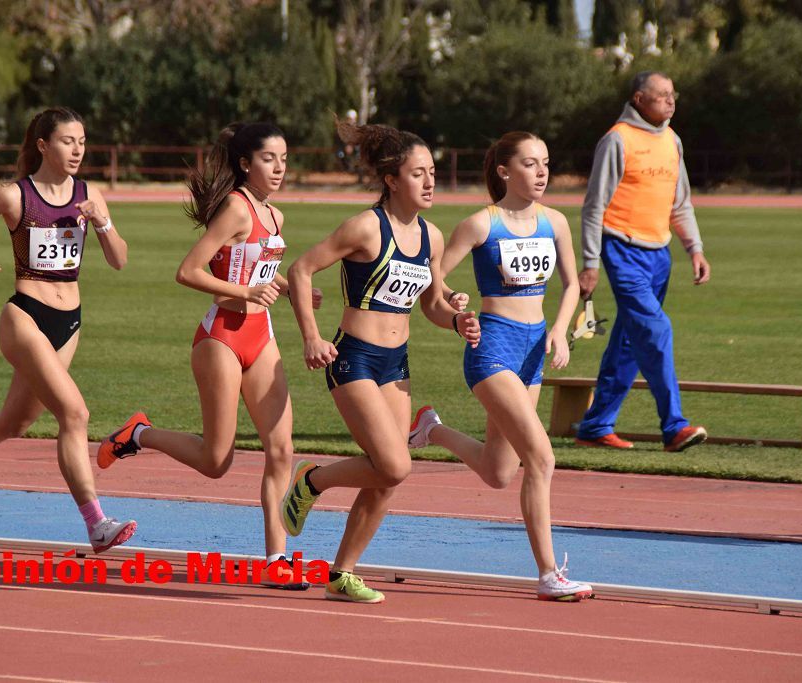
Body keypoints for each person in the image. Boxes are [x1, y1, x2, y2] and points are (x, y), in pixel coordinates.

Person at [97, 122, 321, 589]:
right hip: (220, 339)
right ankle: (140, 434)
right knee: (216, 461)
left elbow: (258, 271)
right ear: (245, 163)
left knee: (281, 449)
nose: (279, 168)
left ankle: (277, 560)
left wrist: (292, 289)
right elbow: (189, 270)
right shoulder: (236, 209)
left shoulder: (276, 216)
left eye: (284, 158)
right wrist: (246, 290)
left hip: (261, 337)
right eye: (268, 159)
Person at [0, 107, 137, 553]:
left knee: (15, 421)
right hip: (25, 316)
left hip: (69, 321)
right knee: (74, 414)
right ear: (43, 145)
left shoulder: (89, 193)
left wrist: (103, 221)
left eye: (82, 141)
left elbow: (119, 259)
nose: (77, 150)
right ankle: (96, 523)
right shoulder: (14, 196)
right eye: (67, 141)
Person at [283, 119, 480, 604]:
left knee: (390, 474)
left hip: (397, 362)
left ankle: (341, 573)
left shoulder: (432, 237)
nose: (430, 181)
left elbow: (432, 301)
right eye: (419, 173)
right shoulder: (367, 226)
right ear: (393, 179)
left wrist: (456, 318)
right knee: (394, 465)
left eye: (432, 172)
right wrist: (311, 336)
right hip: (353, 358)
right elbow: (301, 268)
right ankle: (311, 480)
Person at [408, 131, 593, 601]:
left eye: (546, 163)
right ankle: (550, 574)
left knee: (498, 471)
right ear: (505, 171)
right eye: (530, 164)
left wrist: (559, 329)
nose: (542, 172)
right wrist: (453, 305)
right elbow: (432, 282)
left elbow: (573, 285)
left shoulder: (555, 223)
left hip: (534, 350)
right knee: (542, 457)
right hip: (492, 348)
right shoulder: (480, 225)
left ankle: (431, 429)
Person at [575, 71, 711, 452]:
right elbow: (593, 207)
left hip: (659, 254)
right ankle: (674, 427)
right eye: (662, 95)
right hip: (622, 248)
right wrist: (590, 262)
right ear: (639, 99)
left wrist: (694, 249)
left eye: (673, 94)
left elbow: (680, 203)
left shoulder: (672, 140)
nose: (671, 101)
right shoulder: (617, 139)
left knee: (630, 341)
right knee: (656, 330)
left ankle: (596, 424)